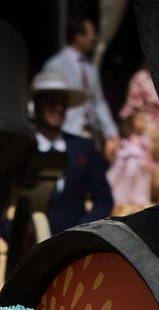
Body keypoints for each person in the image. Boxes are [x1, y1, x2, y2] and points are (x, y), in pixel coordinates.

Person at [29, 70, 113, 234]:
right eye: (51, 102)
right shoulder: (24, 146)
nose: (58, 108)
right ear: (38, 104)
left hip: (74, 246)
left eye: (63, 103)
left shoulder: (84, 147)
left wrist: (82, 231)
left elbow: (104, 200)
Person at [37, 15, 116, 152]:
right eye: (91, 33)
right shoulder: (55, 64)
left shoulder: (91, 68)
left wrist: (112, 133)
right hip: (66, 132)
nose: (94, 38)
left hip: (90, 134)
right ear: (78, 36)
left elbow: (98, 102)